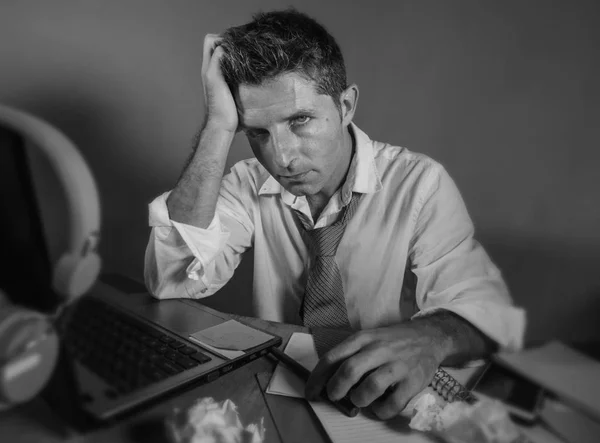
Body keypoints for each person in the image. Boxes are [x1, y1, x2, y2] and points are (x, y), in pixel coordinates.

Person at [144, 9, 525, 419]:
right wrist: (218, 126)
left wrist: (432, 337)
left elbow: (489, 313)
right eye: (257, 132)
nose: (282, 158)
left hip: (388, 400)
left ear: (345, 106)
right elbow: (172, 281)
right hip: (279, 390)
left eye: (301, 120)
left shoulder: (420, 184)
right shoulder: (246, 182)